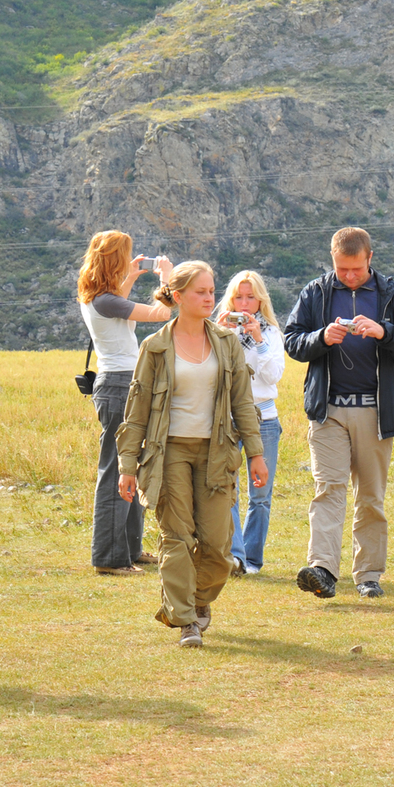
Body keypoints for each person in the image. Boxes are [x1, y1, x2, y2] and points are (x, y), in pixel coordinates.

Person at [116, 261, 268, 647]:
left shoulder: (227, 343)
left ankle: (197, 602)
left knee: (218, 546)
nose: (209, 297)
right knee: (177, 538)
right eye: (200, 291)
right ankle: (186, 622)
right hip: (169, 454)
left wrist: (256, 454)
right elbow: (136, 414)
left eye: (211, 290)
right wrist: (127, 466)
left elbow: (243, 403)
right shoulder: (154, 348)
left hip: (217, 451)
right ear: (178, 296)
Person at [282, 227, 394, 600]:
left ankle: (368, 575)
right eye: (342, 269)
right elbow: (292, 342)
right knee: (328, 490)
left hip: (377, 412)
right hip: (327, 412)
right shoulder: (314, 293)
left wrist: (384, 332)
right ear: (332, 261)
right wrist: (320, 338)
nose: (349, 276)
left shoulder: (392, 295)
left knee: (370, 497)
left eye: (356, 270)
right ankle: (323, 571)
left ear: (370, 259)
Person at [77, 230, 172, 576]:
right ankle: (110, 557)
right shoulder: (105, 301)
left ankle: (130, 548)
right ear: (114, 259)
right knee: (117, 469)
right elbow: (160, 314)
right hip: (119, 385)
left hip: (121, 384)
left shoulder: (101, 298)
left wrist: (131, 276)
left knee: (129, 465)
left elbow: (123, 313)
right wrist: (167, 278)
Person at [215, 270, 286, 576]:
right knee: (227, 489)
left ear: (260, 300)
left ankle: (253, 560)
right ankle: (237, 557)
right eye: (238, 297)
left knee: (260, 494)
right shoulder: (219, 331)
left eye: (250, 297)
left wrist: (257, 338)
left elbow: (273, 376)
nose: (244, 305)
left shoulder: (271, 334)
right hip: (228, 418)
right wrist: (218, 335)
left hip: (264, 418)